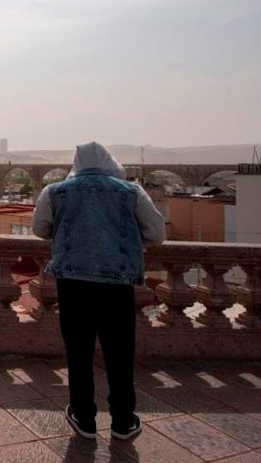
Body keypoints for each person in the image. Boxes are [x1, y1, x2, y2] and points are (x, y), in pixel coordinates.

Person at [32, 141, 165, 440]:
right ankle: (122, 420)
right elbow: (157, 234)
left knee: (78, 352)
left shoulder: (54, 192)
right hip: (116, 285)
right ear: (109, 162)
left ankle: (83, 417)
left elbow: (39, 229)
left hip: (73, 285)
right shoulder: (130, 191)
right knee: (119, 353)